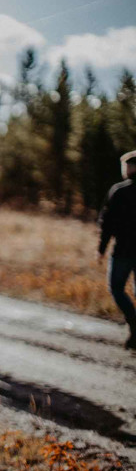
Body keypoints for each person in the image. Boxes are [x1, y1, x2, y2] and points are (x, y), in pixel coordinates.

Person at [98, 150, 136, 350]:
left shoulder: (119, 191)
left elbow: (107, 223)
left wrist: (101, 249)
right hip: (125, 250)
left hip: (124, 250)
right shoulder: (118, 191)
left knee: (116, 288)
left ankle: (134, 323)